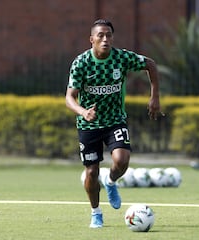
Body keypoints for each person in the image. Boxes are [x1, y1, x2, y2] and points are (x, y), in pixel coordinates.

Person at [65, 19, 162, 228]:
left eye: (108, 35)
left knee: (122, 160)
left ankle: (110, 182)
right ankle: (96, 213)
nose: (105, 39)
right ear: (91, 39)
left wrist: (154, 97)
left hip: (115, 120)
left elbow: (150, 65)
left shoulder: (121, 57)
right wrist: (83, 112)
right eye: (100, 35)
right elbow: (69, 98)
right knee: (91, 172)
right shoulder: (81, 63)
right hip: (88, 125)